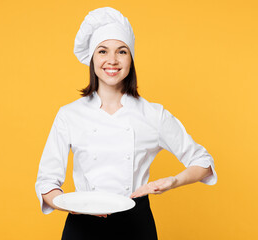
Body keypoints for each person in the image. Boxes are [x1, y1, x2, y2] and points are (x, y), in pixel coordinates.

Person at [35, 7, 217, 240]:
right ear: (92, 58)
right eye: (103, 51)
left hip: (135, 226)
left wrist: (173, 181)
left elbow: (203, 163)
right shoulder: (69, 115)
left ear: (131, 58)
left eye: (121, 51)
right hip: (82, 228)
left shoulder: (153, 114)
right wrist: (68, 204)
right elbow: (47, 182)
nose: (112, 60)